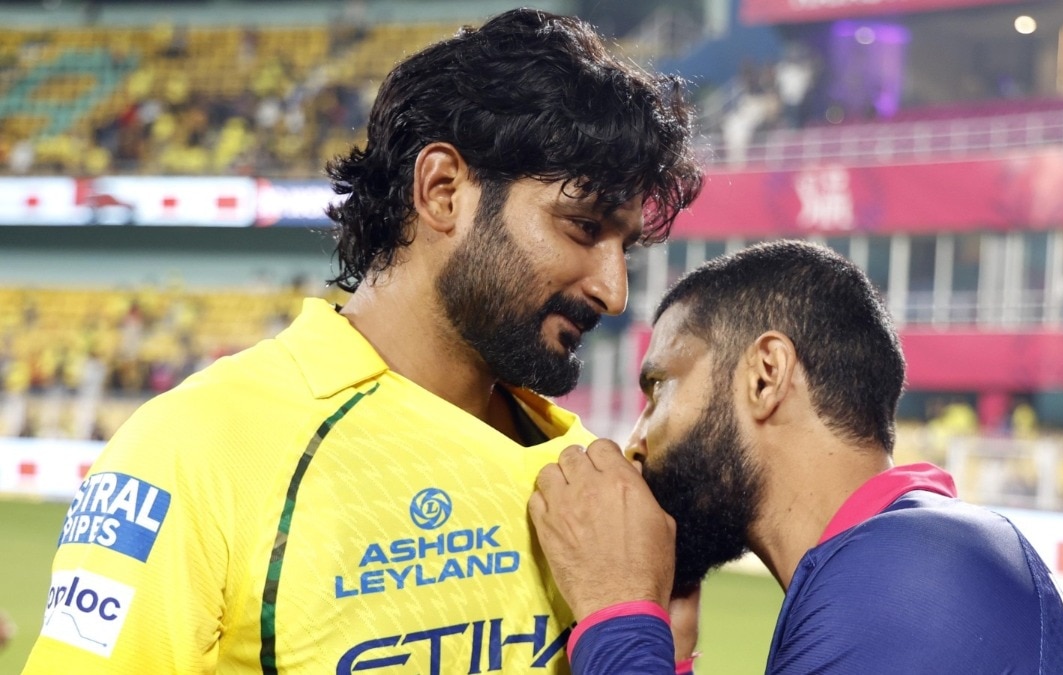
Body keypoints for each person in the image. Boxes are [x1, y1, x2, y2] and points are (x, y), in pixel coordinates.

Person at [23, 9, 701, 674]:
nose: (614, 291)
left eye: (628, 250)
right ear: (442, 191)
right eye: (582, 227)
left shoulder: (597, 488)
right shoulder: (195, 449)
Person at [529, 240, 1063, 674]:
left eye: (658, 389)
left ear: (765, 375)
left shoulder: (902, 586)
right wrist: (667, 648)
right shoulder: (921, 552)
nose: (636, 439)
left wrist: (619, 614)